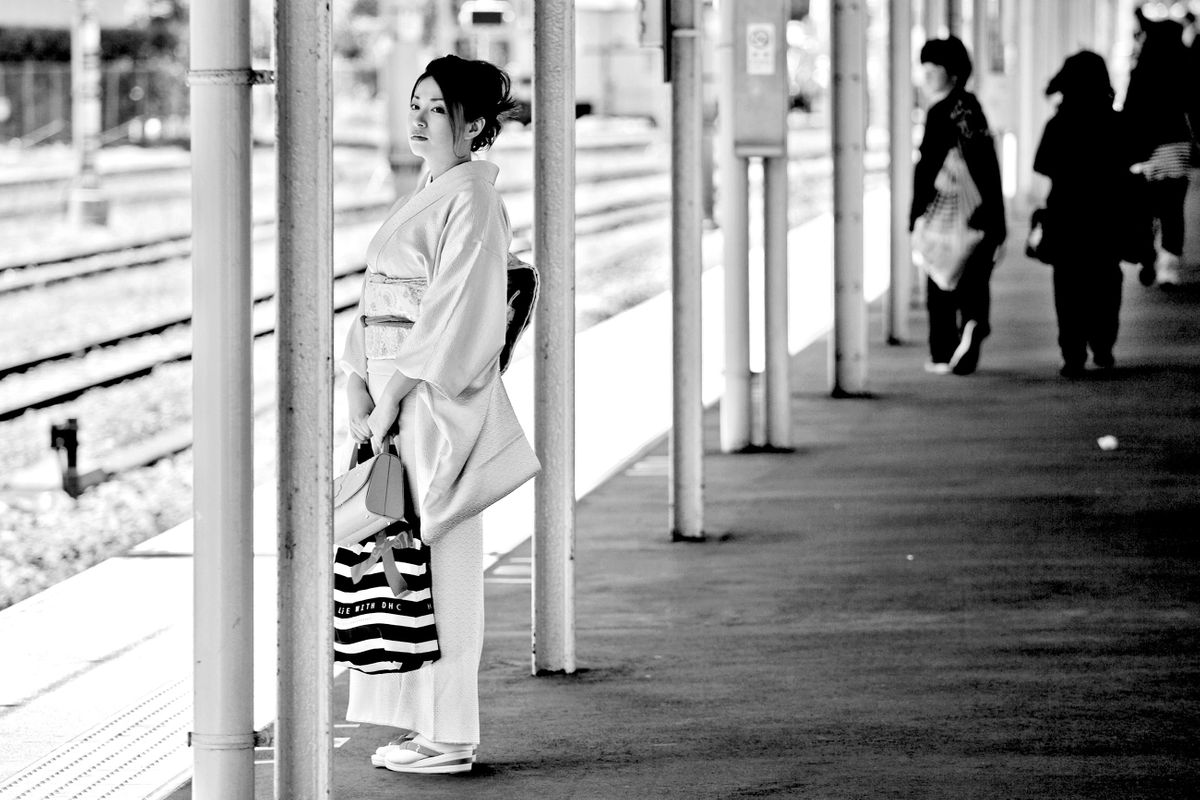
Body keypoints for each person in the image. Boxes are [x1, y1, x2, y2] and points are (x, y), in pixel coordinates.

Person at [338, 54, 532, 775]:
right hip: (402, 403)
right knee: (407, 564)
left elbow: (455, 314)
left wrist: (387, 393)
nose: (417, 118)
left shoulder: (473, 202)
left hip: (431, 408)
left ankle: (451, 734)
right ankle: (428, 725)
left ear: (474, 125)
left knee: (443, 567)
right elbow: (387, 299)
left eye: (435, 108)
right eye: (414, 104)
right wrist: (354, 375)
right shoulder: (439, 189)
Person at [910, 36, 1007, 376]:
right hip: (982, 209)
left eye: (931, 67)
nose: (924, 75)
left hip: (948, 213)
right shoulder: (973, 107)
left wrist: (916, 211)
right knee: (975, 277)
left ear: (950, 73)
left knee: (940, 277)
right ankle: (974, 322)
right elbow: (989, 165)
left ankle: (942, 352)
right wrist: (997, 215)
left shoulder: (939, 112)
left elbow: (928, 166)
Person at [1033, 51, 1128, 378]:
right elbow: (1130, 159)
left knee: (1068, 283)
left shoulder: (1059, 123)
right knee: (1106, 278)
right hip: (1108, 213)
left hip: (1067, 213)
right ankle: (1103, 345)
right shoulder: (1115, 121)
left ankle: (1072, 352)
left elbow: (1041, 164)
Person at [1122, 9, 1194, 286]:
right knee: (1173, 209)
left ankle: (1147, 253)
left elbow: (1129, 110)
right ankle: (1169, 265)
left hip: (1147, 147)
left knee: (1145, 205)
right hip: (1176, 146)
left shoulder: (1143, 69)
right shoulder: (1183, 65)